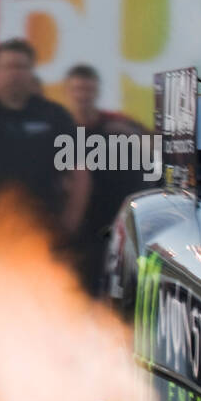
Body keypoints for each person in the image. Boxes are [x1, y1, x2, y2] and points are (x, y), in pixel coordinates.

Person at [0, 38, 85, 248]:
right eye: (8, 67)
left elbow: (80, 171)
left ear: (31, 72)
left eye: (22, 67)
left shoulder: (55, 116)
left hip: (41, 228)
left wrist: (71, 220)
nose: (15, 73)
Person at [62, 63, 150, 293]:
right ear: (68, 91)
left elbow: (157, 147)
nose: (83, 96)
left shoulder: (116, 123)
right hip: (79, 223)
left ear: (97, 91)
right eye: (77, 90)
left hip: (113, 219)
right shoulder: (60, 125)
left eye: (88, 90)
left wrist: (132, 136)